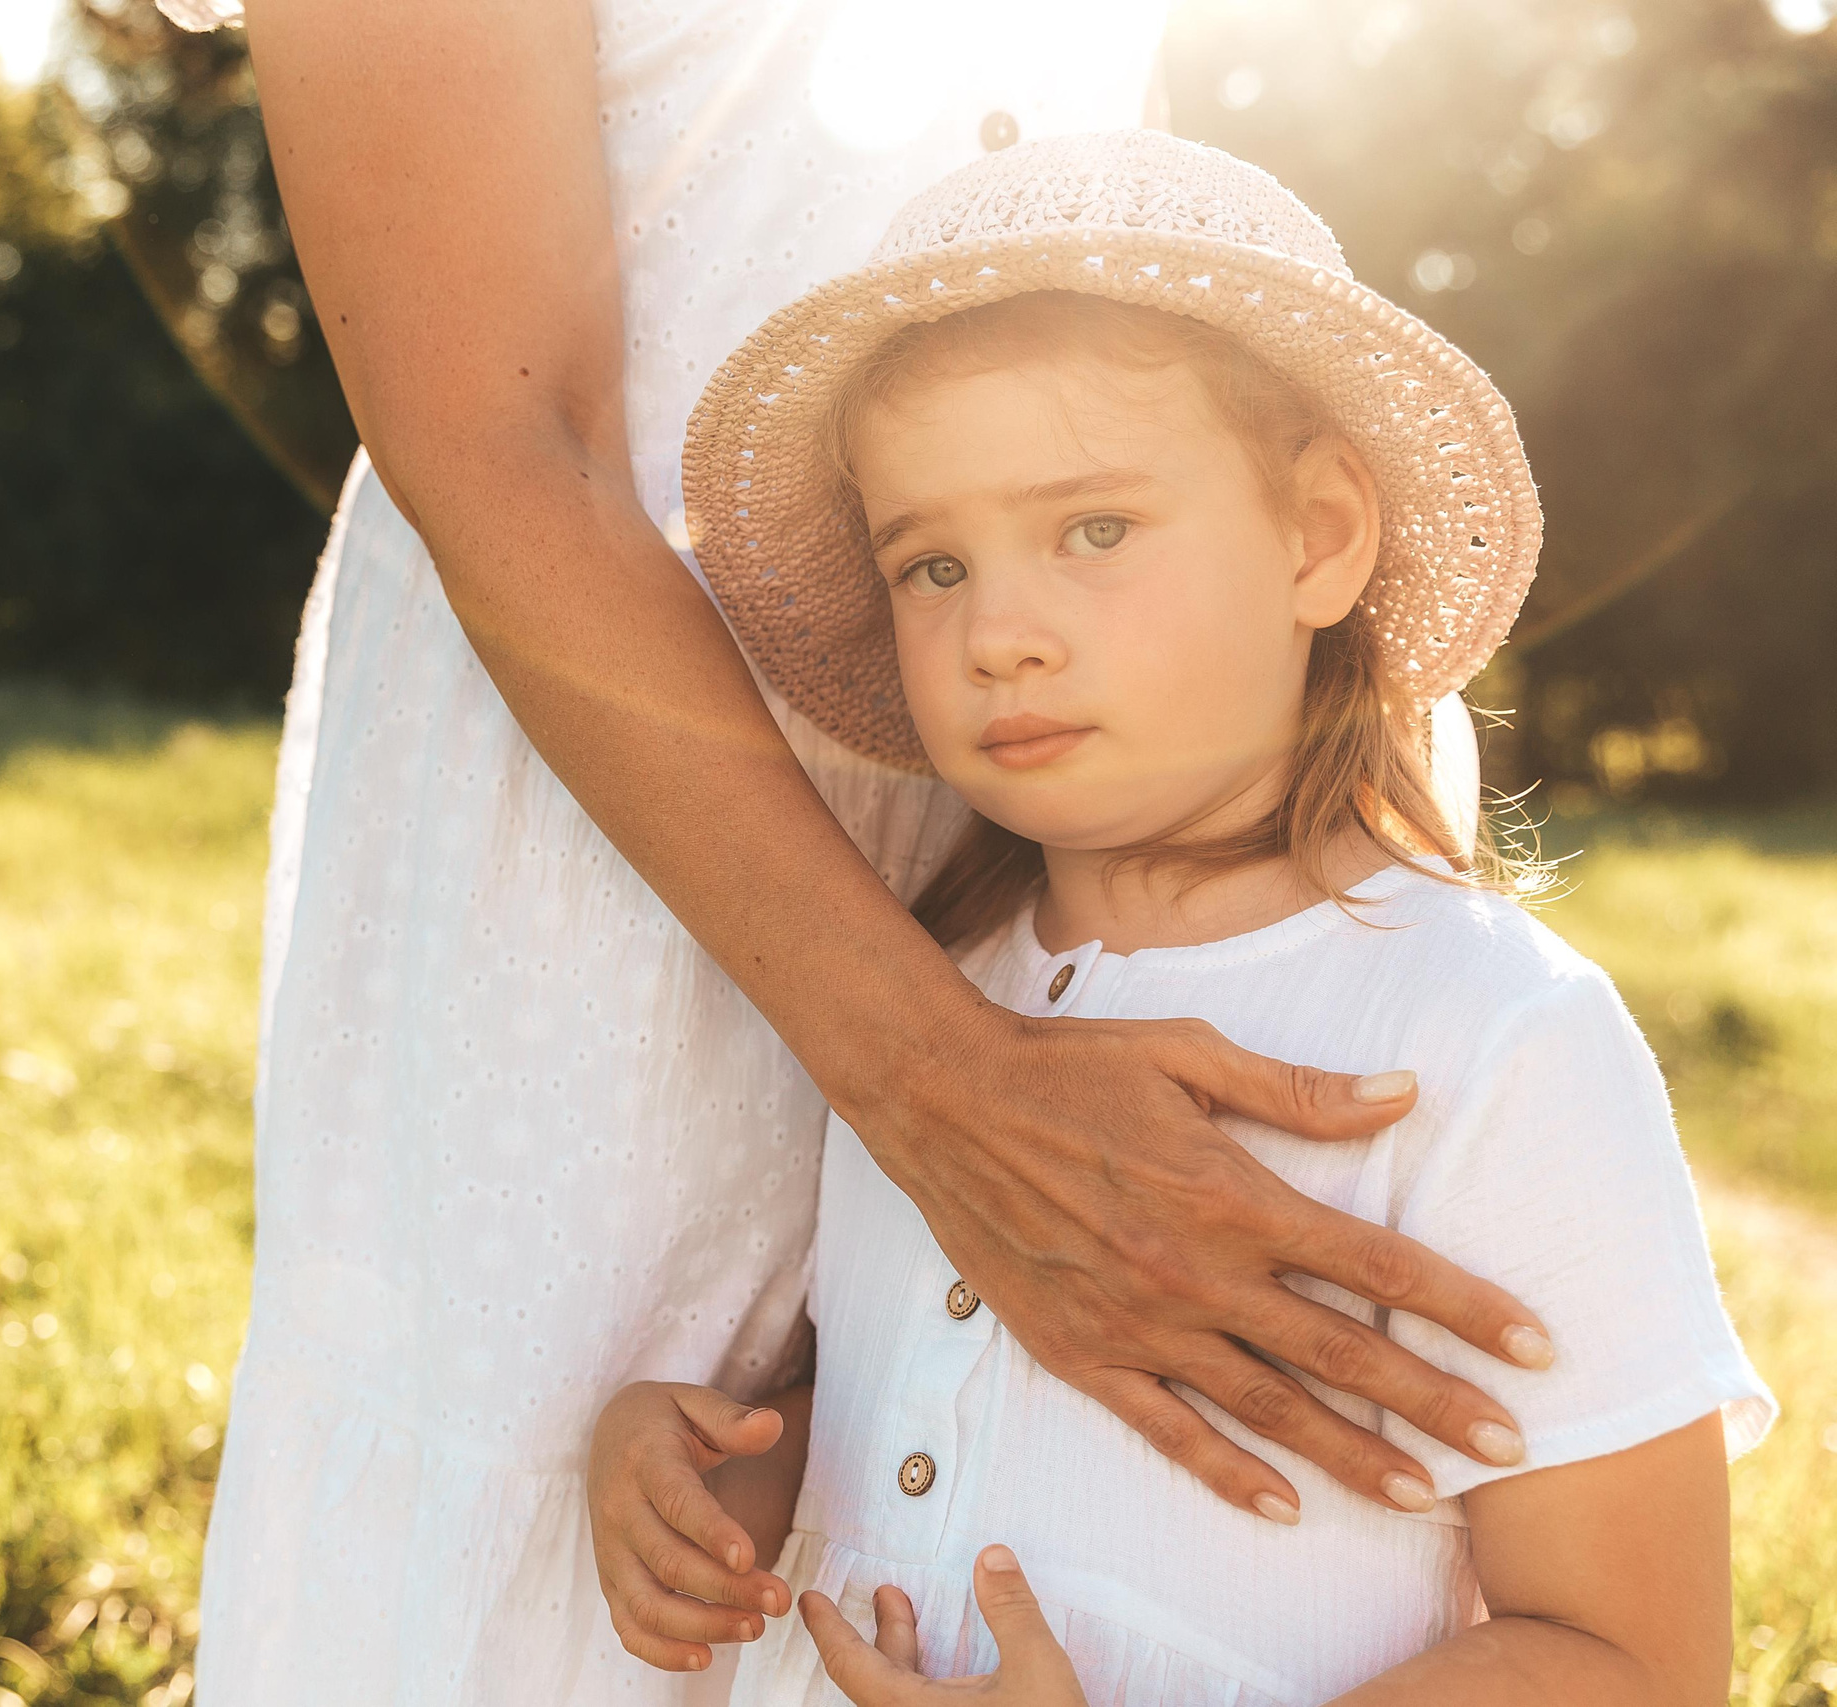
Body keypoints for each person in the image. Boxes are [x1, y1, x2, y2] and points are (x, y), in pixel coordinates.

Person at [161, 4, 1562, 1701]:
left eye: (1104, 527)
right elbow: (494, 418)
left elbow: (1126, 219)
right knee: (543, 1470)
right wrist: (934, 1077)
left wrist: (1305, 816)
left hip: (1023, 814)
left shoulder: (1478, 1041)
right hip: (596, 800)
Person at [588, 129, 1777, 1704]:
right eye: (932, 563)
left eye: (1093, 529)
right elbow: (928, 1411)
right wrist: (715, 1477)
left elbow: (1638, 1661)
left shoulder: (1488, 1038)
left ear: (1319, 538)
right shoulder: (925, 1000)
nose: (999, 633)